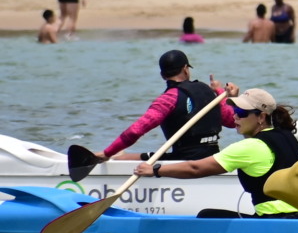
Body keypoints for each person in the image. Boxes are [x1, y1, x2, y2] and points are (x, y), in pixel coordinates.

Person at [132, 88, 298, 218]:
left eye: (242, 113)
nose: (235, 117)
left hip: (273, 221)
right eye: (235, 112)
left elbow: (195, 168)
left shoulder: (250, 147)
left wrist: (155, 170)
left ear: (261, 117)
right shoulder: (287, 136)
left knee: (207, 216)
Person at [97, 49, 239, 162]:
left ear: (162, 75)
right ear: (185, 69)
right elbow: (232, 121)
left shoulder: (167, 99)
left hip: (183, 161)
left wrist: (107, 152)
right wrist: (221, 93)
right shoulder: (208, 91)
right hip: (212, 159)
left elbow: (135, 131)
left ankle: (106, 156)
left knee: (121, 157)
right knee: (127, 156)